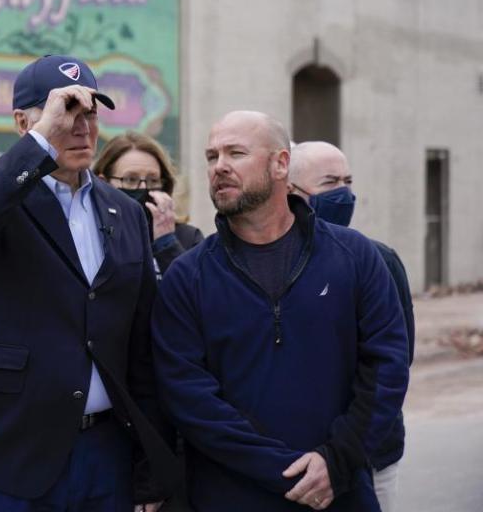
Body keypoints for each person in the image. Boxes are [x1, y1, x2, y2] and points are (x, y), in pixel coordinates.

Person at [0, 55, 178, 512]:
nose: (79, 127)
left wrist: (148, 462)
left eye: (89, 113)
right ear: (24, 123)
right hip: (11, 453)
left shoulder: (123, 211)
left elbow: (139, 343)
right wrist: (44, 141)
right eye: (64, 113)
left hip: (105, 452)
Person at [152, 110, 409, 511]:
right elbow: (189, 397)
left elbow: (387, 367)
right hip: (232, 495)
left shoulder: (354, 256)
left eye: (235, 153)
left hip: (339, 492)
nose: (219, 167)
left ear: (280, 163)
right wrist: (285, 471)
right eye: (211, 156)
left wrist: (335, 462)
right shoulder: (188, 276)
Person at [289, 140, 414, 512]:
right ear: (290, 191)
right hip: (296, 461)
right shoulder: (272, 261)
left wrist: (348, 448)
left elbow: (393, 364)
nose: (344, 193)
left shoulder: (379, 260)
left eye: (348, 181)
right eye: (330, 183)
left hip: (370, 456)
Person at [93, 131, 204, 276]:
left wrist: (167, 244)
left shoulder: (187, 237)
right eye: (131, 180)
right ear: (104, 183)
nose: (143, 188)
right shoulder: (91, 234)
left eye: (153, 180)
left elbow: (198, 294)